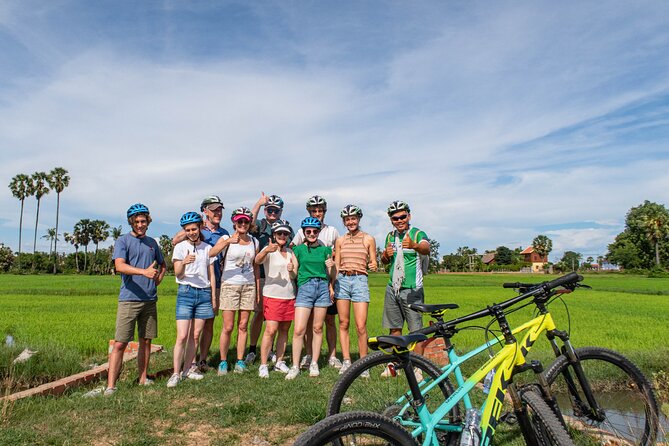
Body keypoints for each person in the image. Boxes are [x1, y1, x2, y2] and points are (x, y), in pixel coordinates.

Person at [85, 203, 166, 397]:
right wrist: (144, 272)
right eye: (137, 221)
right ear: (131, 222)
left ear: (148, 221)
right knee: (120, 343)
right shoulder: (122, 241)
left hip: (149, 299)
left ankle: (143, 378)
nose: (140, 225)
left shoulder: (152, 243)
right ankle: (111, 386)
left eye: (143, 221)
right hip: (129, 299)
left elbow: (163, 265)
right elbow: (120, 266)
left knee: (146, 341)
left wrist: (157, 280)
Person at [171, 195, 229, 371]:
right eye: (213, 209)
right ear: (205, 211)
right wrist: (196, 226)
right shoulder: (195, 229)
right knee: (190, 330)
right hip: (191, 283)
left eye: (219, 209)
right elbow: (175, 241)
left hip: (213, 280)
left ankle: (202, 360)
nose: (218, 212)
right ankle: (191, 362)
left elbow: (218, 254)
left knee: (208, 322)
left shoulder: (224, 233)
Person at [291, 195, 341, 370]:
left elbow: (337, 254)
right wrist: (292, 267)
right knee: (303, 326)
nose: (317, 213)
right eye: (314, 210)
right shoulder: (300, 236)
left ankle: (330, 357)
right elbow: (292, 250)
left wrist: (332, 279)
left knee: (327, 322)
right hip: (306, 284)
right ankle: (307, 356)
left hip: (325, 283)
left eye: (320, 210)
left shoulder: (332, 231)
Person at [167, 212, 217, 388]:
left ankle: (188, 369)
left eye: (194, 229)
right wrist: (184, 262)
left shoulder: (207, 248)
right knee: (182, 336)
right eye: (187, 230)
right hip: (186, 292)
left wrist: (213, 297)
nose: (191, 232)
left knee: (195, 336)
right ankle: (175, 373)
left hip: (203, 294)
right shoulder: (180, 248)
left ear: (200, 227)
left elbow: (211, 274)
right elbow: (178, 273)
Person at [210, 207, 259, 375]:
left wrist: (257, 291)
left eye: (246, 221)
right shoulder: (225, 238)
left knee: (243, 325)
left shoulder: (254, 241)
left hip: (248, 285)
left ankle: (239, 360)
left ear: (250, 223)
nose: (243, 224)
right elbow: (211, 253)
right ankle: (223, 362)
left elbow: (256, 267)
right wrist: (227, 242)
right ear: (234, 222)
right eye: (240, 221)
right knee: (228, 326)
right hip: (230, 285)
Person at [245, 193, 291, 365]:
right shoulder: (260, 225)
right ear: (265, 211)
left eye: (276, 211)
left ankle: (271, 350)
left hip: (279, 278)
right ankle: (252, 349)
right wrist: (258, 203)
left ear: (280, 212)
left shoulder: (283, 229)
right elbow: (249, 223)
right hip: (261, 276)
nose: (272, 213)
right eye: (270, 210)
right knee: (258, 314)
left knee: (275, 319)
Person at [380, 201, 430, 357]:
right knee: (394, 328)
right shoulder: (390, 236)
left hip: (412, 289)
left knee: (416, 331)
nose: (399, 220)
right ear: (391, 220)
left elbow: (426, 248)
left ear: (409, 216)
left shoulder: (417, 234)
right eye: (395, 218)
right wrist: (385, 255)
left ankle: (418, 367)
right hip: (393, 288)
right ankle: (395, 363)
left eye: (403, 216)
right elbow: (386, 261)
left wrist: (414, 245)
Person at [333, 205, 377, 374]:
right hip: (342, 280)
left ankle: (363, 363)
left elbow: (373, 261)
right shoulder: (340, 241)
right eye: (347, 219)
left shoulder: (368, 239)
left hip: (359, 279)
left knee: (361, 326)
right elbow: (337, 265)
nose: (350, 222)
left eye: (353, 218)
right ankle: (346, 361)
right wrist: (333, 284)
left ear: (359, 219)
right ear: (344, 222)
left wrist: (373, 264)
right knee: (343, 323)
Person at [253, 219, 297, 378]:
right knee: (270, 330)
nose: (282, 236)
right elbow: (257, 261)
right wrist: (266, 251)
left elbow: (294, 275)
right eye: (279, 233)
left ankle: (279, 361)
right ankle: (263, 364)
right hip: (272, 295)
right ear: (274, 234)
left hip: (289, 295)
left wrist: (291, 270)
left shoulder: (291, 253)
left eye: (285, 233)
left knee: (284, 330)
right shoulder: (269, 249)